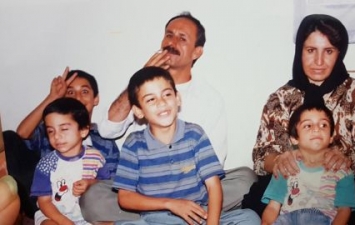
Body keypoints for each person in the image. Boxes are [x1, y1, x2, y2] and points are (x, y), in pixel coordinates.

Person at [91, 11, 257, 222]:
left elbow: (214, 166)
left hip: (194, 187)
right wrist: (140, 78)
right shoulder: (140, 91)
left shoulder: (208, 99)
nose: (172, 42)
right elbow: (107, 130)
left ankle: (189, 214)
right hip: (145, 189)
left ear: (197, 52)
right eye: (169, 35)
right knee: (93, 198)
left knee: (247, 180)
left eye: (182, 38)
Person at [243, 14, 355, 225]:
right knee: (255, 198)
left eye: (328, 51)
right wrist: (278, 161)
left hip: (338, 188)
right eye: (310, 51)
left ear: (339, 53)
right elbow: (261, 156)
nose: (319, 61)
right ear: (300, 51)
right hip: (292, 189)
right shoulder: (280, 98)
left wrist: (343, 160)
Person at [112, 66, 260, 225]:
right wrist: (170, 204)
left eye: (167, 94)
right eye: (151, 99)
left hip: (198, 216)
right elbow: (125, 198)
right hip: (156, 219)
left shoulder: (194, 134)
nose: (161, 103)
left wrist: (212, 223)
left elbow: (213, 185)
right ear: (138, 111)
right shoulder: (134, 143)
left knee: (249, 218)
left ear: (178, 99)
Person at [3, 68, 120, 221]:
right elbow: (21, 135)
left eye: (84, 91)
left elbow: (112, 183)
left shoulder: (104, 139)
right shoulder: (53, 132)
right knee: (8, 137)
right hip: (46, 198)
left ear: (95, 99)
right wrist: (52, 97)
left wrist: (91, 184)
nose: (77, 97)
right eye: (70, 92)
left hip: (87, 205)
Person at [261, 103, 355, 225]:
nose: (316, 129)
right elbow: (273, 207)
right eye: (308, 125)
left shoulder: (342, 170)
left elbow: (344, 210)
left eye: (323, 125)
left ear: (331, 136)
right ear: (294, 138)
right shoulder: (285, 167)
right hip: (288, 220)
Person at [31, 97, 105, 225]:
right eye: (50, 131)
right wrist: (65, 222)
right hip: (53, 215)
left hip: (88, 215)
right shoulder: (46, 164)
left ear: (83, 130)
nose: (57, 136)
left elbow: (106, 186)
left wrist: (90, 183)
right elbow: (44, 202)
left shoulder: (96, 158)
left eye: (64, 129)